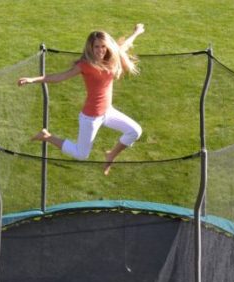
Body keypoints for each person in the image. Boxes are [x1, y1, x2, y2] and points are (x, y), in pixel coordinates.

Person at [18, 24, 145, 175]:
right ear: (90, 48)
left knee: (135, 131)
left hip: (108, 112)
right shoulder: (85, 65)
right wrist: (33, 79)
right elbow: (60, 77)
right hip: (90, 117)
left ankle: (110, 155)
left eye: (103, 46)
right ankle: (47, 136)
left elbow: (123, 45)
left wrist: (136, 32)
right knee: (81, 154)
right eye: (96, 47)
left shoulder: (112, 58)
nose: (100, 50)